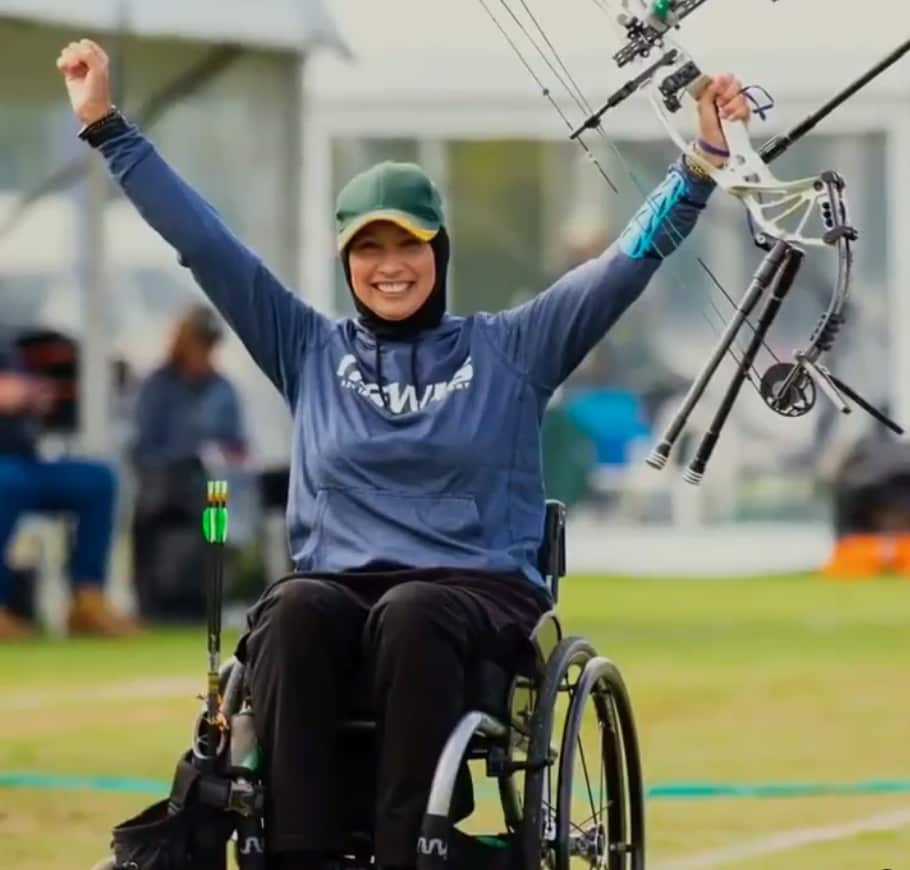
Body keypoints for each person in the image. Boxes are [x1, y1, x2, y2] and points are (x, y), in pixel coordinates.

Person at [57, 38, 750, 870]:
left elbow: (622, 266)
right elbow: (205, 244)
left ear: (439, 252)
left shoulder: (512, 348)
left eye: (408, 245)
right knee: (294, 610)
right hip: (340, 596)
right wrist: (106, 127)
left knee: (414, 610)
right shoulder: (305, 347)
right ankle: (298, 854)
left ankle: (406, 851)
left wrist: (702, 164)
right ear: (347, 260)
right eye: (369, 250)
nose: (390, 268)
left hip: (470, 598)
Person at [0, 332, 138, 640]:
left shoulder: (9, 341)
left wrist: (38, 396)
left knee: (98, 480)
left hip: (25, 462)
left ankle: (86, 601)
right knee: (5, 482)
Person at [130, 305, 248, 620]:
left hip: (214, 485)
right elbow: (144, 448)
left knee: (227, 497)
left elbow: (239, 444)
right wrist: (187, 458)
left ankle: (218, 594)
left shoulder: (224, 389)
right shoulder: (157, 387)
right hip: (166, 487)